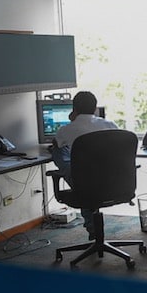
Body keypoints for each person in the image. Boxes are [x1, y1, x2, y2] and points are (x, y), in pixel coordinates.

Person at [50, 91, 118, 237]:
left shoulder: (67, 129)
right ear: (95, 109)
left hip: (85, 183)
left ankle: (91, 225)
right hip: (113, 182)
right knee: (86, 180)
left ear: (74, 109)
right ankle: (91, 225)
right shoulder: (110, 124)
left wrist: (72, 121)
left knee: (60, 153)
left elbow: (56, 144)